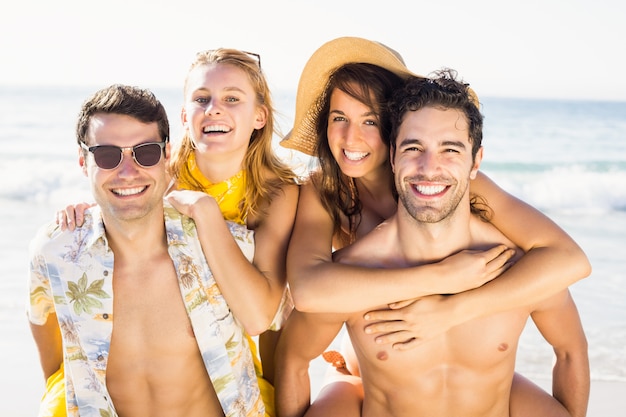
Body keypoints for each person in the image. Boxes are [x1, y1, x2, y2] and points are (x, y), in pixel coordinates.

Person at [275, 37, 591, 416]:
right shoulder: (326, 191)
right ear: (398, 152)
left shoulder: (463, 189)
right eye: (338, 119)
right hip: (375, 353)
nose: (351, 137)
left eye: (370, 120)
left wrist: (452, 309)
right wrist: (441, 277)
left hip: (454, 359)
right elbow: (309, 290)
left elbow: (568, 260)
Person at [54, 49, 300, 416]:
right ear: (185, 116)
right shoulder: (158, 173)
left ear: (260, 115)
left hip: (234, 350)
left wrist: (206, 213)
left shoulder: (277, 193)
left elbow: (256, 318)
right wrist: (85, 209)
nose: (214, 108)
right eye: (202, 99)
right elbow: (114, 187)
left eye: (232, 98)